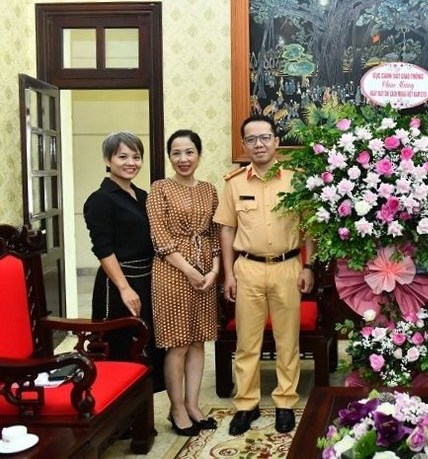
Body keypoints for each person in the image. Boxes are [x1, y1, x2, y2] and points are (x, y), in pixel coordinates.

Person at [213, 114, 316, 436]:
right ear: (244, 145)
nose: (259, 144)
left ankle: (285, 402)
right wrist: (228, 274)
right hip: (248, 269)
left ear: (276, 141)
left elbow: (311, 228)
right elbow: (227, 230)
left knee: (288, 341)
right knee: (247, 343)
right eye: (252, 139)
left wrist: (310, 266)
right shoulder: (234, 183)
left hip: (288, 268)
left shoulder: (296, 181)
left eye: (265, 137)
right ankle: (246, 404)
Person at [147, 130, 220, 436]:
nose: (183, 159)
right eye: (176, 153)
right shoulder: (159, 188)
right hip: (171, 270)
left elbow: (216, 231)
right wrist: (189, 270)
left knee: (198, 340)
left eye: (189, 152)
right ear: (169, 157)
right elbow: (159, 237)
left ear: (199, 154)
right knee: (177, 343)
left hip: (206, 271)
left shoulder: (209, 189)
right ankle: (176, 409)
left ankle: (193, 404)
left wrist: (215, 269)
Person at [83, 131, 165, 392]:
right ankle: (121, 419)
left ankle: (142, 416)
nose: (131, 162)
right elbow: (103, 249)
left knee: (149, 347)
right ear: (108, 160)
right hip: (118, 284)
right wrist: (124, 288)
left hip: (148, 278)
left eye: (136, 156)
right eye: (122, 156)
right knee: (122, 347)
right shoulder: (100, 200)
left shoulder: (143, 196)